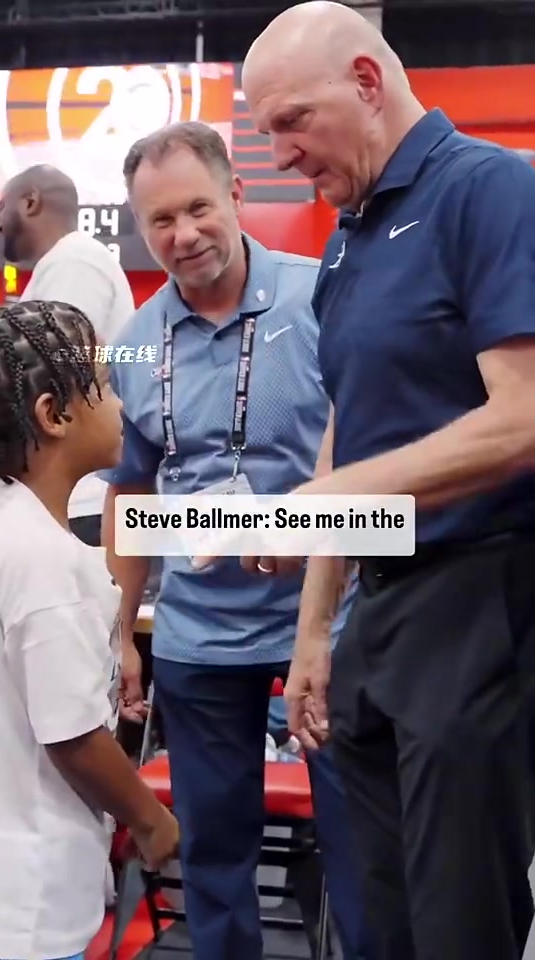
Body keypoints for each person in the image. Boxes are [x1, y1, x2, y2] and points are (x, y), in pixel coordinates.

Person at [239, 3, 535, 959]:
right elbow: (346, 430)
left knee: (459, 925)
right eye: (266, 130)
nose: (280, 153)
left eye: (292, 121)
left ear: (366, 82)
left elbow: (524, 416)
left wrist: (325, 503)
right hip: (377, 614)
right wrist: (314, 631)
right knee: (375, 921)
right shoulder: (347, 236)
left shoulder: (490, 190)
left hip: (479, 600)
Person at [100, 120, 373, 960]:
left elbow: (371, 451)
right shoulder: (136, 344)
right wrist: (121, 630)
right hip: (199, 637)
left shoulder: (322, 295)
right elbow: (130, 491)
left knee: (365, 855)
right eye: (160, 220)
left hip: (326, 627)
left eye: (197, 209)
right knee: (215, 863)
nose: (183, 235)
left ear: (237, 195)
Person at [0, 300, 179, 960]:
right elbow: (72, 737)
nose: (122, 404)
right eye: (103, 385)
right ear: (55, 415)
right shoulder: (44, 558)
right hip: (30, 906)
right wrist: (150, 819)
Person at [0, 164, 135, 546]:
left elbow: (45, 379)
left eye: (1, 208)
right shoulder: (64, 263)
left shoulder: (74, 262)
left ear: (30, 202)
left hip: (78, 499)